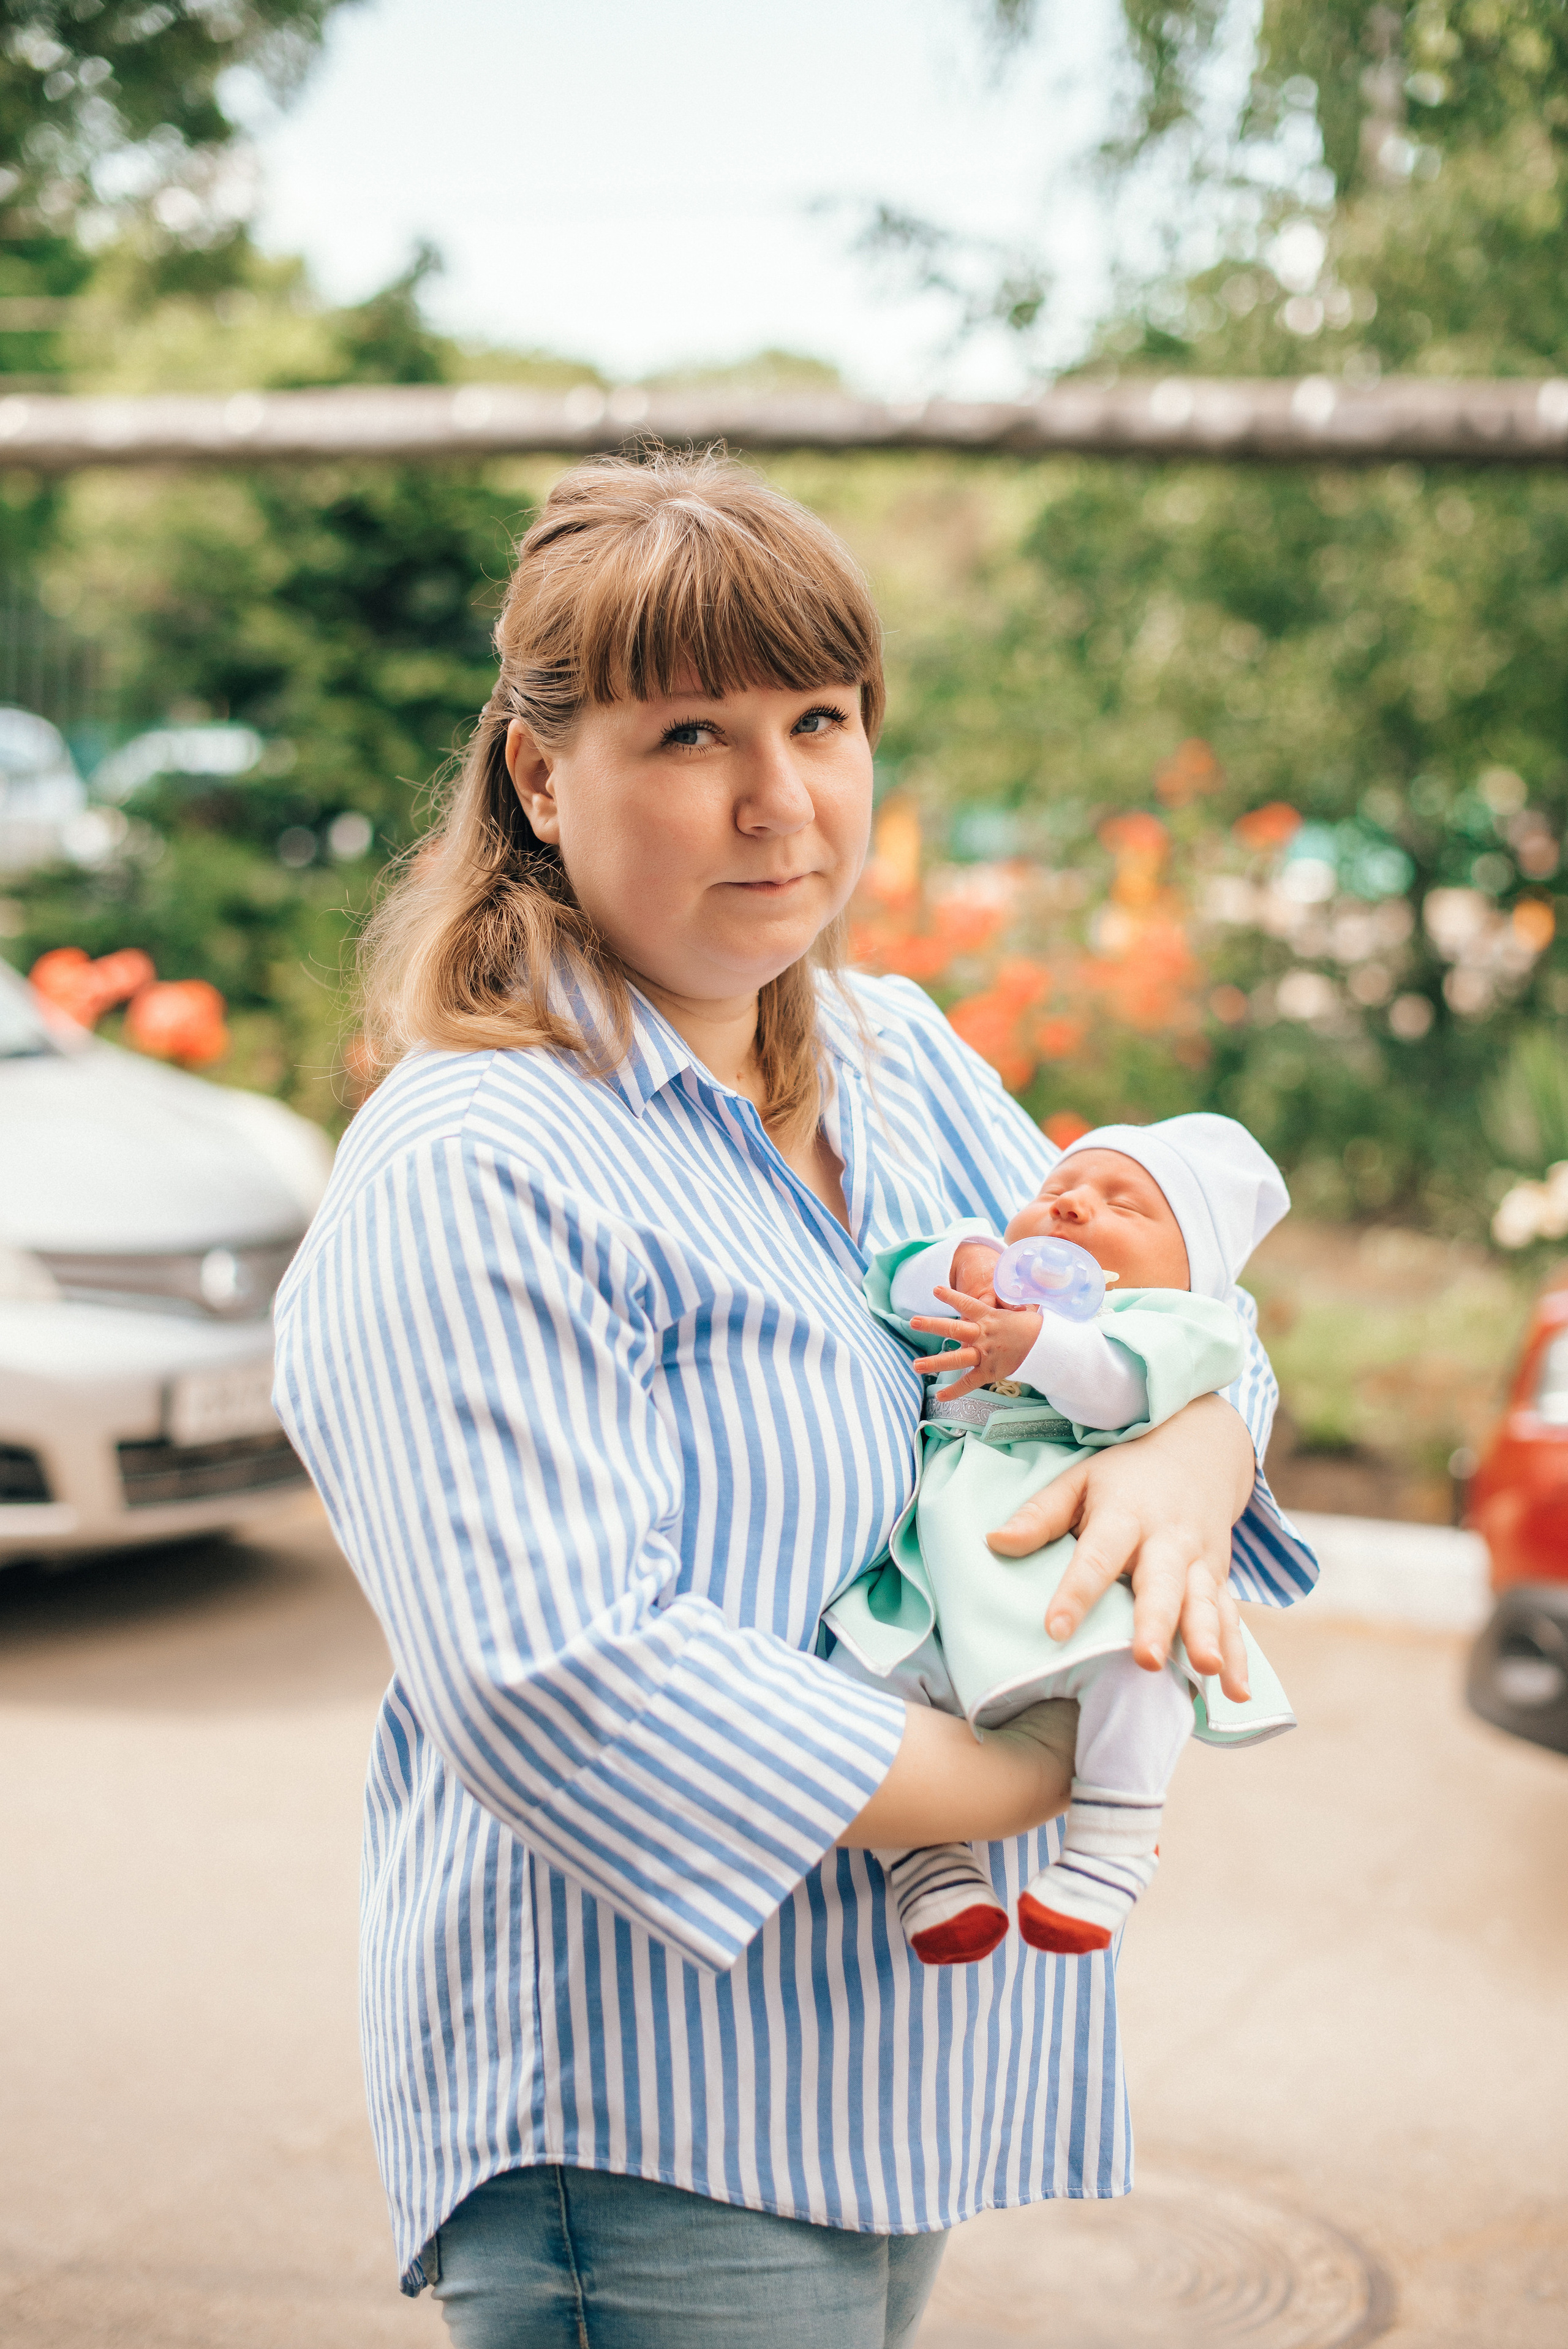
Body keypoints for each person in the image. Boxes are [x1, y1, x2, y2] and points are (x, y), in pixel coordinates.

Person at [273, 450, 1317, 2349]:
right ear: (539, 775)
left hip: (900, 2063)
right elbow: (558, 1669)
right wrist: (1038, 1771)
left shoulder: (896, 1056)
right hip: (653, 2109)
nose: (781, 803)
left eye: (819, 720)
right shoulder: (478, 1159)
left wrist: (1197, 1441)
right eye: (690, 734)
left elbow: (1181, 1304)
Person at [823, 1114, 1297, 1969]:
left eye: (1126, 1204)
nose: (1074, 1204)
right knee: (865, 1672)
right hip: (942, 1561)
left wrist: (1035, 1343)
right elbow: (889, 1283)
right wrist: (966, 1264)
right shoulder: (999, 1304)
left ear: (1194, 1270)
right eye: (1055, 1191)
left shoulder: (1182, 1324)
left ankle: (1112, 1843)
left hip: (1062, 1561)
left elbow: (1115, 1387)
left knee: (1138, 1663)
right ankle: (930, 1866)